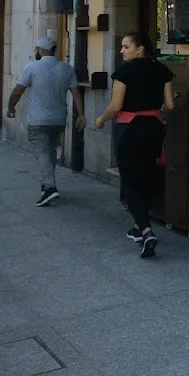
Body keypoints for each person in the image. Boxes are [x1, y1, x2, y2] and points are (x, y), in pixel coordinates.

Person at [95, 32, 174, 259]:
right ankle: (138, 227)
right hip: (154, 128)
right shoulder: (162, 70)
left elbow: (115, 106)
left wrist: (101, 119)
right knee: (146, 177)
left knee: (130, 180)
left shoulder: (124, 73)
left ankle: (146, 230)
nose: (122, 51)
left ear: (139, 49)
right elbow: (169, 104)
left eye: (126, 46)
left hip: (129, 129)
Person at [4, 36, 85, 206]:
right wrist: (81, 115)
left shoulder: (32, 67)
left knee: (41, 152)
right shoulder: (67, 68)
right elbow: (76, 93)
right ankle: (46, 184)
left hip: (38, 120)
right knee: (50, 152)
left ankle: (50, 188)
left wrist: (11, 107)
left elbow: (18, 91)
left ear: (40, 50)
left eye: (36, 49)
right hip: (58, 119)